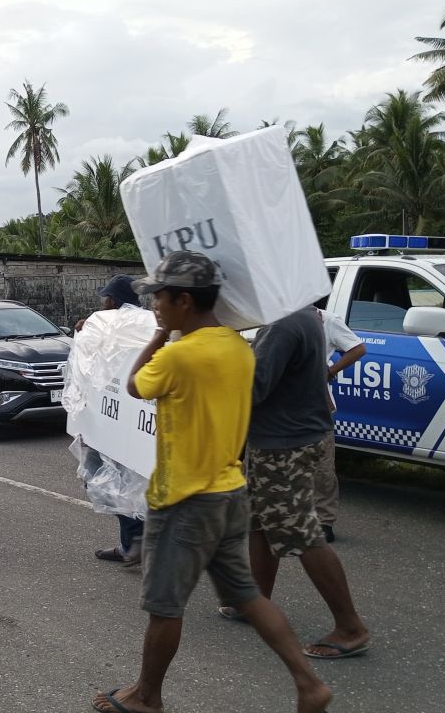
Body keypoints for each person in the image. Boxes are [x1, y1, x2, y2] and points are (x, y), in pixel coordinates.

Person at [92, 252, 331, 713]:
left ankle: (146, 695)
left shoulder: (180, 355)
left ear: (184, 300)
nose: (154, 306)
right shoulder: (239, 347)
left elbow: (136, 385)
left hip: (183, 497)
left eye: (159, 297)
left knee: (164, 604)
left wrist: (161, 336)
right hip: (228, 490)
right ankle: (308, 683)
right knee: (246, 594)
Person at [239, 304, 371, 661]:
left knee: (299, 532)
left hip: (284, 443)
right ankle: (256, 602)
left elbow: (252, 389)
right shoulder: (305, 315)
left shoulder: (282, 323)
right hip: (282, 436)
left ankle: (350, 627)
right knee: (260, 523)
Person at [82, 274, 146, 567]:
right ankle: (131, 541)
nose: (102, 302)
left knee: (103, 477)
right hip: (131, 418)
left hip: (109, 417)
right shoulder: (147, 323)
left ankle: (133, 541)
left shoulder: (104, 325)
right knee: (127, 479)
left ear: (114, 300)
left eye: (105, 297)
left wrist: (85, 332)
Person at [317, 305, 366, 543]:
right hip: (287, 402)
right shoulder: (279, 318)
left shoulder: (327, 320)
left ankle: (324, 521)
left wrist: (331, 370)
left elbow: (357, 348)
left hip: (317, 404)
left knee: (323, 466)